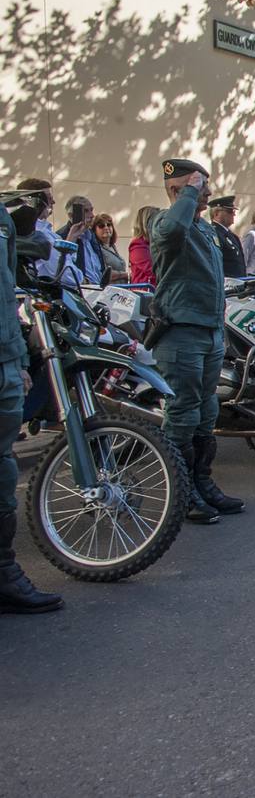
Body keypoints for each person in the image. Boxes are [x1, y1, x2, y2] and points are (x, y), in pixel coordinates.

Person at [152, 159, 245, 523]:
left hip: (208, 330)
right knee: (182, 414)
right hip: (181, 332)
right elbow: (173, 230)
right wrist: (188, 192)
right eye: (198, 186)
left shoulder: (204, 229)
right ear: (177, 190)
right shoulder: (165, 221)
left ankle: (202, 483)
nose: (207, 192)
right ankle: (182, 492)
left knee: (206, 411)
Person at [0, 190, 62, 613]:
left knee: (3, 471)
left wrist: (20, 359)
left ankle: (4, 573)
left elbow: (8, 294)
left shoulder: (3, 220)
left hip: (5, 358)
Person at [57, 195, 105, 285]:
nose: (92, 215)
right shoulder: (62, 237)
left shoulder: (91, 235)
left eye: (91, 210)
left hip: (98, 289)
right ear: (71, 215)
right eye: (86, 211)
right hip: (79, 290)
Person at [207, 195, 247, 278]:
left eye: (233, 211)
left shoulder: (231, 235)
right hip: (227, 284)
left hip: (238, 283)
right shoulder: (213, 233)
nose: (234, 214)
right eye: (229, 211)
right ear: (216, 214)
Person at [92, 213, 128, 284]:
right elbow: (104, 273)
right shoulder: (96, 249)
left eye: (109, 224)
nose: (106, 228)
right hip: (108, 291)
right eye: (101, 226)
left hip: (121, 290)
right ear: (94, 230)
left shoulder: (112, 246)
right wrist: (126, 275)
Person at [127, 205, 159, 285]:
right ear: (147, 223)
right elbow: (152, 271)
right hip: (145, 293)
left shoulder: (153, 242)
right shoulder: (137, 246)